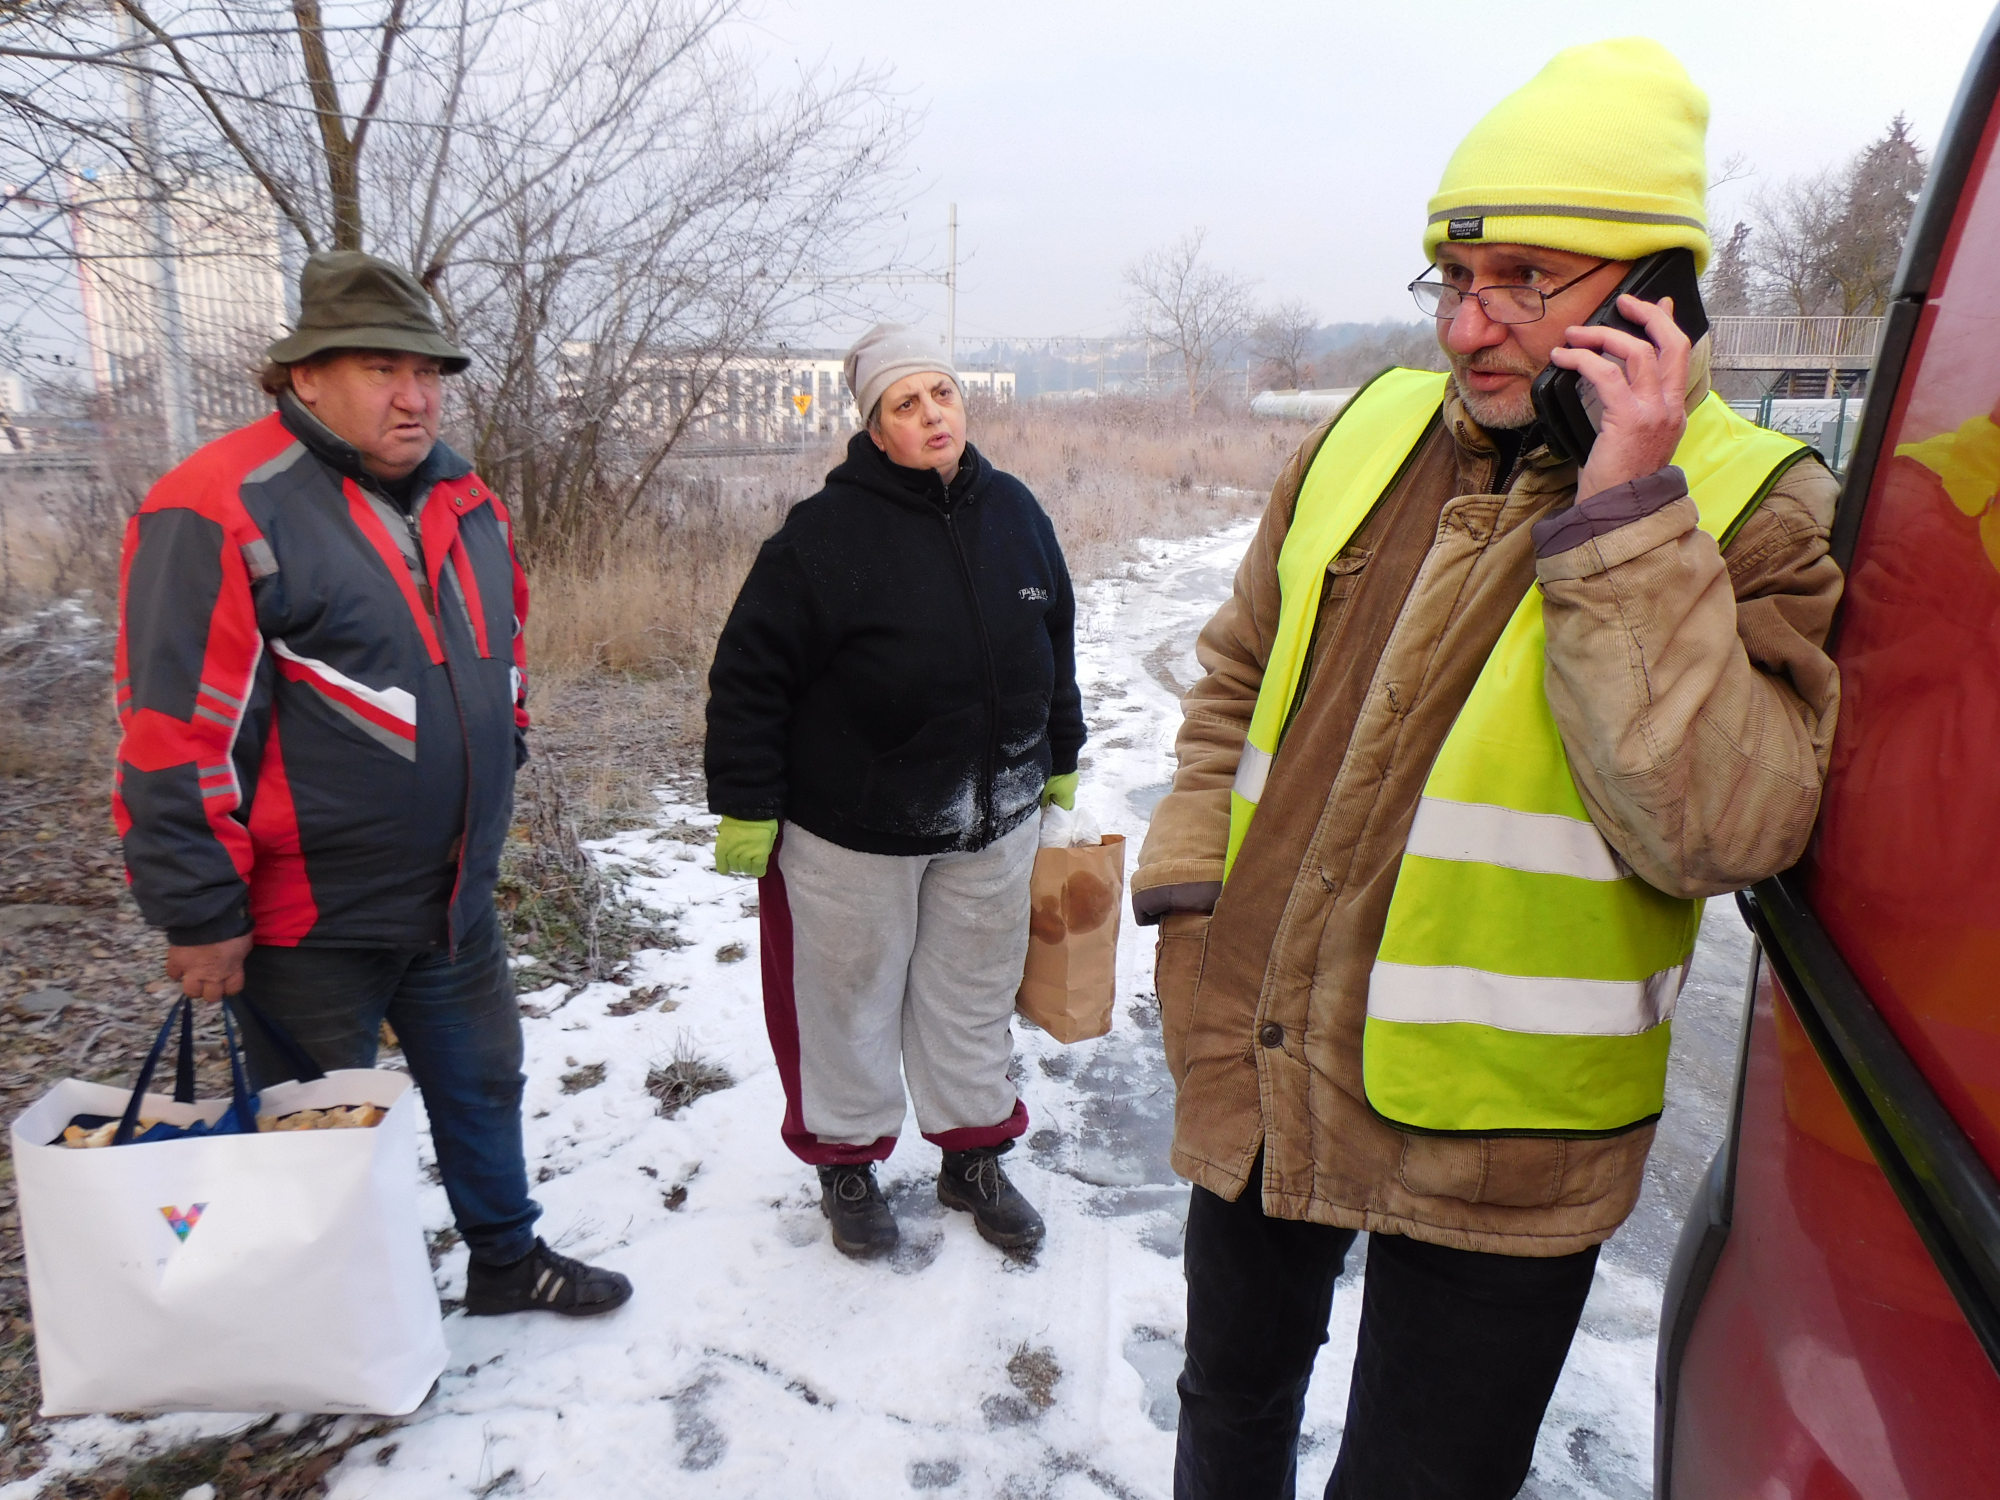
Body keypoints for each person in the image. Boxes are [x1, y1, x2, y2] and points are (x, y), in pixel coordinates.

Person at [1132, 39, 1843, 1500]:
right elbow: (1232, 677)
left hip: (1507, 1136)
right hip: (1264, 1041)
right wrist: (1194, 896)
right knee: (1228, 1407)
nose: (1468, 328)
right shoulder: (1366, 433)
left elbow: (1723, 828)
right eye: (1453, 281)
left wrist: (1627, 515)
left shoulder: (1753, 509)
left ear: (1658, 295)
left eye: (1524, 281)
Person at [113, 250, 631, 1319]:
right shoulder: (219, 504)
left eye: (427, 372)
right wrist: (199, 911)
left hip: (452, 898)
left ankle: (505, 1259)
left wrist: (504, 744)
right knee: (316, 1139)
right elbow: (174, 730)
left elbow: (502, 651)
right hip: (308, 922)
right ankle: (337, 1327)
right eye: (382, 369)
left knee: (484, 1085)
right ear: (305, 376)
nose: (414, 396)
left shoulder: (465, 497)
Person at [705, 324, 1084, 1260]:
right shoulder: (822, 537)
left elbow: (1055, 636)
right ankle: (846, 1163)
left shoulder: (1015, 511)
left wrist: (1060, 751)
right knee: (847, 1001)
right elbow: (751, 674)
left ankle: (973, 1157)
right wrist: (747, 801)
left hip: (993, 818)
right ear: (876, 429)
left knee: (973, 996)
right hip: (852, 829)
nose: (932, 416)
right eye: (905, 405)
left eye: (941, 394)